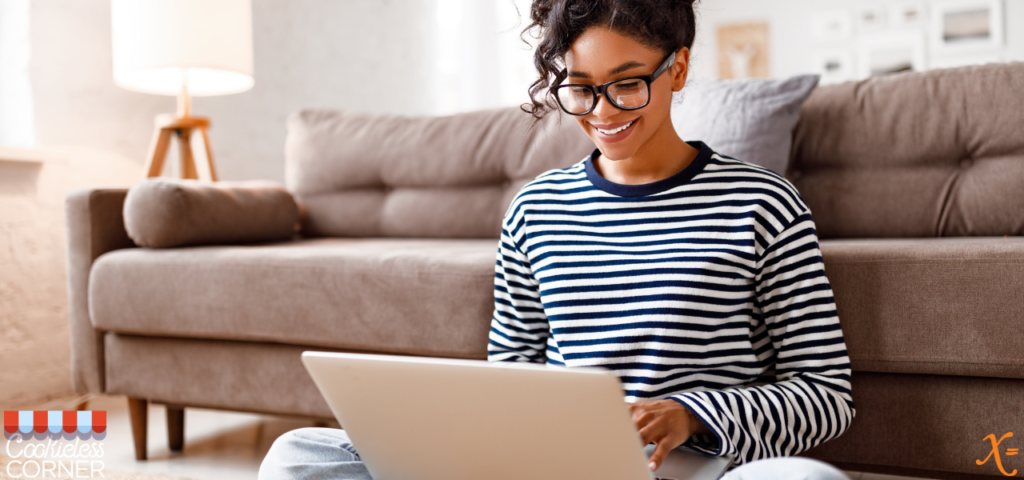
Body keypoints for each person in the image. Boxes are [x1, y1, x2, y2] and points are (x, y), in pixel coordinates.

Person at [259, 1, 855, 479]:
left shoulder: (764, 203)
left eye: (627, 84)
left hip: (702, 466)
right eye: (580, 88)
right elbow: (510, 371)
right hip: (558, 467)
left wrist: (689, 415)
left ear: (677, 68)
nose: (602, 111)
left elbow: (826, 395)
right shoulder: (536, 208)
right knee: (300, 455)